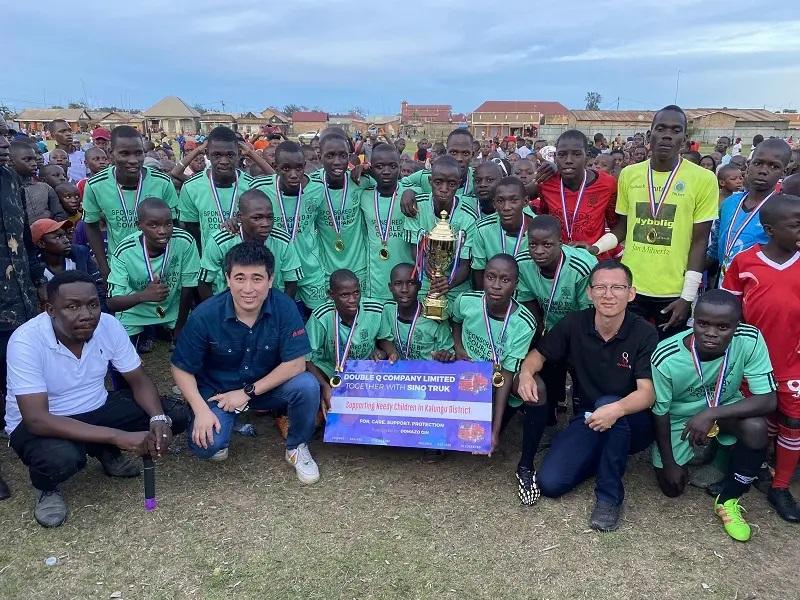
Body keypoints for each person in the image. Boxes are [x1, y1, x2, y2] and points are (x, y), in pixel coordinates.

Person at [5, 270, 188, 527]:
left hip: (95, 407)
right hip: (42, 423)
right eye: (72, 307)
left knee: (174, 414)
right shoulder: (26, 341)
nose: (86, 314)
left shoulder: (108, 325)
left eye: (93, 304)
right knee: (62, 458)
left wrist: (158, 418)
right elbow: (37, 419)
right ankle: (46, 486)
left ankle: (103, 451)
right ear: (50, 309)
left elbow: (138, 378)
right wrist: (118, 436)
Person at [517, 260, 659, 531]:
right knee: (550, 483)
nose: (608, 294)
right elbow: (539, 354)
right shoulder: (575, 323)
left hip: (632, 421)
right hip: (590, 418)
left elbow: (647, 393)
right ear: (589, 292)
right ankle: (604, 453)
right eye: (601, 287)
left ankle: (609, 497)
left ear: (631, 293)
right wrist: (525, 374)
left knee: (609, 404)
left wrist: (616, 410)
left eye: (617, 287)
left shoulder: (644, 332)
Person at [171, 242, 321, 479]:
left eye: (257, 278)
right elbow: (180, 367)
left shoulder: (284, 307)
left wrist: (246, 393)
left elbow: (296, 364)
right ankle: (219, 425)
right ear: (227, 279)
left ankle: (297, 447)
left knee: (307, 385)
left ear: (270, 280)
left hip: (265, 387)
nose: (248, 289)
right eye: (240, 278)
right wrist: (200, 409)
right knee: (208, 446)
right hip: (218, 393)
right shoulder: (205, 314)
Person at [651, 290, 776, 542]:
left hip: (724, 407)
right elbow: (660, 413)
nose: (711, 333)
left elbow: (768, 399)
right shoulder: (666, 356)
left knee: (756, 428)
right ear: (693, 321)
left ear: (736, 326)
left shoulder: (750, 339)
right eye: (703, 323)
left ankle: (728, 498)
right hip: (680, 418)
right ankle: (708, 450)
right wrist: (669, 463)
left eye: (723, 327)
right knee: (672, 488)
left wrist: (712, 412)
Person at [591, 106, 718, 340]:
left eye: (676, 130)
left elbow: (700, 242)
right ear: (650, 135)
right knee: (627, 352)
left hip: (674, 291)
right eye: (661, 129)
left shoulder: (704, 179)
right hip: (631, 286)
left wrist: (687, 297)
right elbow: (623, 227)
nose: (667, 135)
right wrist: (595, 248)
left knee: (666, 356)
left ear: (684, 139)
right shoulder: (629, 174)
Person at [722, 194, 800, 522]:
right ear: (770, 229)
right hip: (752, 364)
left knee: (793, 423)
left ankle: (780, 486)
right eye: (796, 225)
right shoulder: (745, 262)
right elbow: (729, 312)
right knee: (755, 421)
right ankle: (749, 471)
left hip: (793, 364)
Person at [451, 255, 545, 506]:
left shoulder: (524, 322)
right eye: (490, 277)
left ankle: (526, 464)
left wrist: (493, 432)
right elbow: (456, 321)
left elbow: (506, 374)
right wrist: (458, 347)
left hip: (499, 378)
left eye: (505, 280)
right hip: (469, 376)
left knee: (538, 389)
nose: (495, 285)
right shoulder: (466, 301)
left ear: (516, 284)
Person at [516, 215, 596, 422]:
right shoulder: (522, 263)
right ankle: (549, 409)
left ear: (560, 242)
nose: (539, 251)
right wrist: (541, 332)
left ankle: (582, 412)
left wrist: (567, 341)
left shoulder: (581, 267)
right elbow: (527, 300)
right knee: (546, 361)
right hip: (548, 324)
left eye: (547, 245)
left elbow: (588, 313)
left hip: (580, 326)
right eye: (533, 244)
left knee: (579, 369)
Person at [0, 164, 49, 500]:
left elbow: (26, 243)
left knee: (21, 382)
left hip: (21, 305)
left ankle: (32, 441)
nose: (5, 142)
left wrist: (39, 282)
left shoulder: (8, 179)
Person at [82, 126, 179, 280]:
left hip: (159, 265)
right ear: (111, 153)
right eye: (125, 154)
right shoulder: (95, 185)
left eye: (138, 153)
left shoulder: (162, 182)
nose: (133, 160)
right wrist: (104, 268)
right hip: (119, 265)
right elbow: (91, 225)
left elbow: (174, 225)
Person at [106, 198, 198, 343]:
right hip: (134, 311)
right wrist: (144, 295)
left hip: (172, 309)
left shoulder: (184, 241)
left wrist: (180, 327)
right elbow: (112, 303)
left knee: (189, 347)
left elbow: (189, 287)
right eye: (153, 225)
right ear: (139, 225)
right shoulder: (125, 250)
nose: (162, 231)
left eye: (168, 224)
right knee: (124, 352)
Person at [305, 269, 396, 414]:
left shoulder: (376, 310)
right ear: (331, 295)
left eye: (356, 293)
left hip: (364, 369)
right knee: (308, 383)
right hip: (330, 370)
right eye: (344, 295)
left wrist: (388, 352)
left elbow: (384, 339)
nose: (352, 299)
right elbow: (306, 359)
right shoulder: (321, 315)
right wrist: (324, 386)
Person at [251, 141, 327, 309]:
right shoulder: (260, 188)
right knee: (281, 316)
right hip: (277, 270)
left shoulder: (317, 189)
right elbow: (244, 214)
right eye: (286, 168)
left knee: (317, 316)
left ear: (304, 166)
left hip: (309, 269)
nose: (293, 174)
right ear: (275, 167)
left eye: (298, 168)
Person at [402, 155, 479, 310]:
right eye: (438, 182)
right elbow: (414, 249)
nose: (444, 189)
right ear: (430, 181)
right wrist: (425, 265)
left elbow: (465, 264)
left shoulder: (469, 217)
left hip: (456, 284)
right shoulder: (417, 207)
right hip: (425, 280)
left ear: (459, 184)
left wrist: (448, 283)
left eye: (451, 184)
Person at [707, 138, 790, 276]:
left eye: (774, 166)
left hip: (759, 284)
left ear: (783, 172)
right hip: (723, 281)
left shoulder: (784, 211)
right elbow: (715, 248)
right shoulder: (729, 203)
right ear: (748, 165)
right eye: (758, 163)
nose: (763, 171)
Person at [198, 189, 301, 299]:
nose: (266, 224)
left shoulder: (283, 241)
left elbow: (291, 282)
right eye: (257, 218)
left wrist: (282, 308)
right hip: (231, 300)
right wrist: (216, 308)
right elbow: (204, 281)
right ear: (239, 217)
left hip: (270, 300)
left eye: (270, 217)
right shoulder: (221, 241)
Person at [534, 130, 619, 259]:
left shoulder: (607, 184)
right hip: (558, 261)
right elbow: (544, 218)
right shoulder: (546, 183)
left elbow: (616, 226)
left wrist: (596, 248)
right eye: (562, 155)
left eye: (576, 154)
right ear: (555, 157)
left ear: (587, 156)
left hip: (594, 260)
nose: (568, 160)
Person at [306, 131, 369, 287]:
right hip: (325, 270)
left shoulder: (359, 180)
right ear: (320, 156)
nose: (337, 162)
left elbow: (393, 185)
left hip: (358, 269)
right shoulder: (311, 184)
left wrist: (369, 169)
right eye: (330, 156)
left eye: (343, 155)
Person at [178, 126, 256, 249]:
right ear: (207, 154)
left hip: (246, 258)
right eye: (217, 155)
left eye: (230, 155)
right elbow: (192, 230)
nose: (224, 161)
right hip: (209, 259)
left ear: (239, 154)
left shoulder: (252, 186)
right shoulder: (191, 187)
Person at [357, 143, 414, 300]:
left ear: (400, 166)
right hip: (375, 280)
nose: (386, 171)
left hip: (407, 280)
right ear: (371, 167)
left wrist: (410, 191)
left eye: (392, 166)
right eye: (379, 167)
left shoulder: (412, 195)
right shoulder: (364, 195)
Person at [381, 263, 454, 360]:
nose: (404, 289)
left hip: (427, 369)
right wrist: (392, 352)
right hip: (399, 369)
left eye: (411, 283)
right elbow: (384, 338)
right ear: (390, 287)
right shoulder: (388, 310)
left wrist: (444, 355)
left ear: (419, 286)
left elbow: (449, 353)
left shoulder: (434, 317)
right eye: (398, 283)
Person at [472, 176, 534, 288]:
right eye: (500, 201)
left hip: (529, 292)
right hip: (496, 291)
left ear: (525, 202)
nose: (506, 207)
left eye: (513, 200)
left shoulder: (538, 228)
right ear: (494, 203)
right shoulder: (483, 229)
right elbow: (479, 270)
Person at [401, 129, 479, 213]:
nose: (459, 158)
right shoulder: (428, 175)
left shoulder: (478, 179)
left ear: (472, 154)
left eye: (465, 153)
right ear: (446, 152)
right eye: (453, 152)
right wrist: (409, 191)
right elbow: (401, 185)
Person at [32, 218, 103, 300]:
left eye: (65, 235)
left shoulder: (80, 254)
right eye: (58, 237)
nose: (66, 240)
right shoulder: (36, 270)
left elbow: (98, 286)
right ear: (41, 243)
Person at [8, 141, 67, 223]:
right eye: (27, 160)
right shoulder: (6, 190)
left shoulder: (45, 188)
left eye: (34, 159)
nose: (34, 163)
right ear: (10, 161)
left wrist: (49, 226)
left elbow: (60, 214)